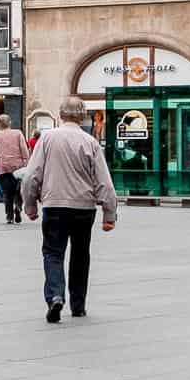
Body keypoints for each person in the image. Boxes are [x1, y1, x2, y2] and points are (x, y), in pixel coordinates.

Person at [22, 95, 118, 322]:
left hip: (54, 205)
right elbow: (104, 181)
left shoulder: (47, 139)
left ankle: (55, 295)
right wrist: (109, 213)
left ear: (61, 114)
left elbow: (31, 176)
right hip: (84, 208)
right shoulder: (90, 142)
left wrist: (30, 205)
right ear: (82, 115)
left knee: (53, 252)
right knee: (80, 255)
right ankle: (78, 304)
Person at [0, 113, 32, 224]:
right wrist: (27, 163)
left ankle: (9, 216)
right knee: (19, 190)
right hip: (17, 167)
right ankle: (18, 207)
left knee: (7, 193)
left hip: (2, 167)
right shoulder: (18, 133)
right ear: (10, 122)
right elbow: (24, 150)